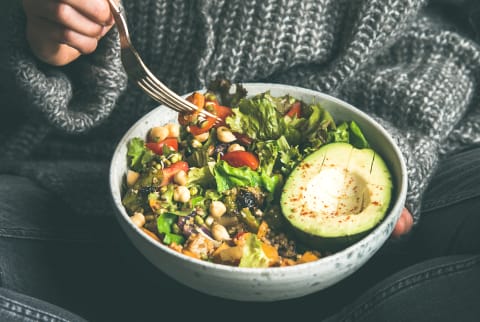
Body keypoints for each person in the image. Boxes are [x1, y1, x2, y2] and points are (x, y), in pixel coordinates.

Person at [0, 0, 479, 321]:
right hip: (83, 175)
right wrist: (39, 31)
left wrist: (394, 140)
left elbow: (442, 31)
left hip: (391, 135)